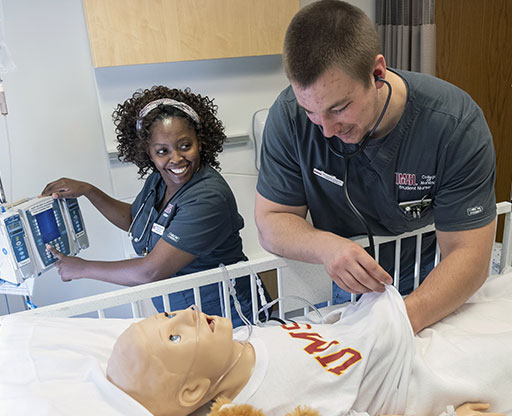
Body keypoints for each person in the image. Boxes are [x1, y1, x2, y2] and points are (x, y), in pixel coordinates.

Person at [254, 0, 496, 334]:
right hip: (349, 282)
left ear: (377, 73)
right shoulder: (288, 118)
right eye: (310, 110)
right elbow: (271, 221)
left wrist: (390, 328)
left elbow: (468, 256)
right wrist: (329, 247)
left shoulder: (453, 124)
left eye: (339, 108)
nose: (325, 129)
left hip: (437, 280)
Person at [106, 283, 512, 416]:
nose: (188, 314)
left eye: (169, 316)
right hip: (406, 372)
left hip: (384, 325)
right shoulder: (276, 402)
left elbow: (307, 337)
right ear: (193, 391)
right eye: (174, 337)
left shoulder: (249, 341)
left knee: (492, 293)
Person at [41, 86, 266, 325]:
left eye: (184, 146)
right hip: (187, 318)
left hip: (232, 318)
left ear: (200, 142)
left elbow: (150, 271)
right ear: (148, 152)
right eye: (162, 151)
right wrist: (89, 191)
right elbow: (135, 220)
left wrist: (82, 268)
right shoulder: (159, 181)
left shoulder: (207, 197)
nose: (176, 159)